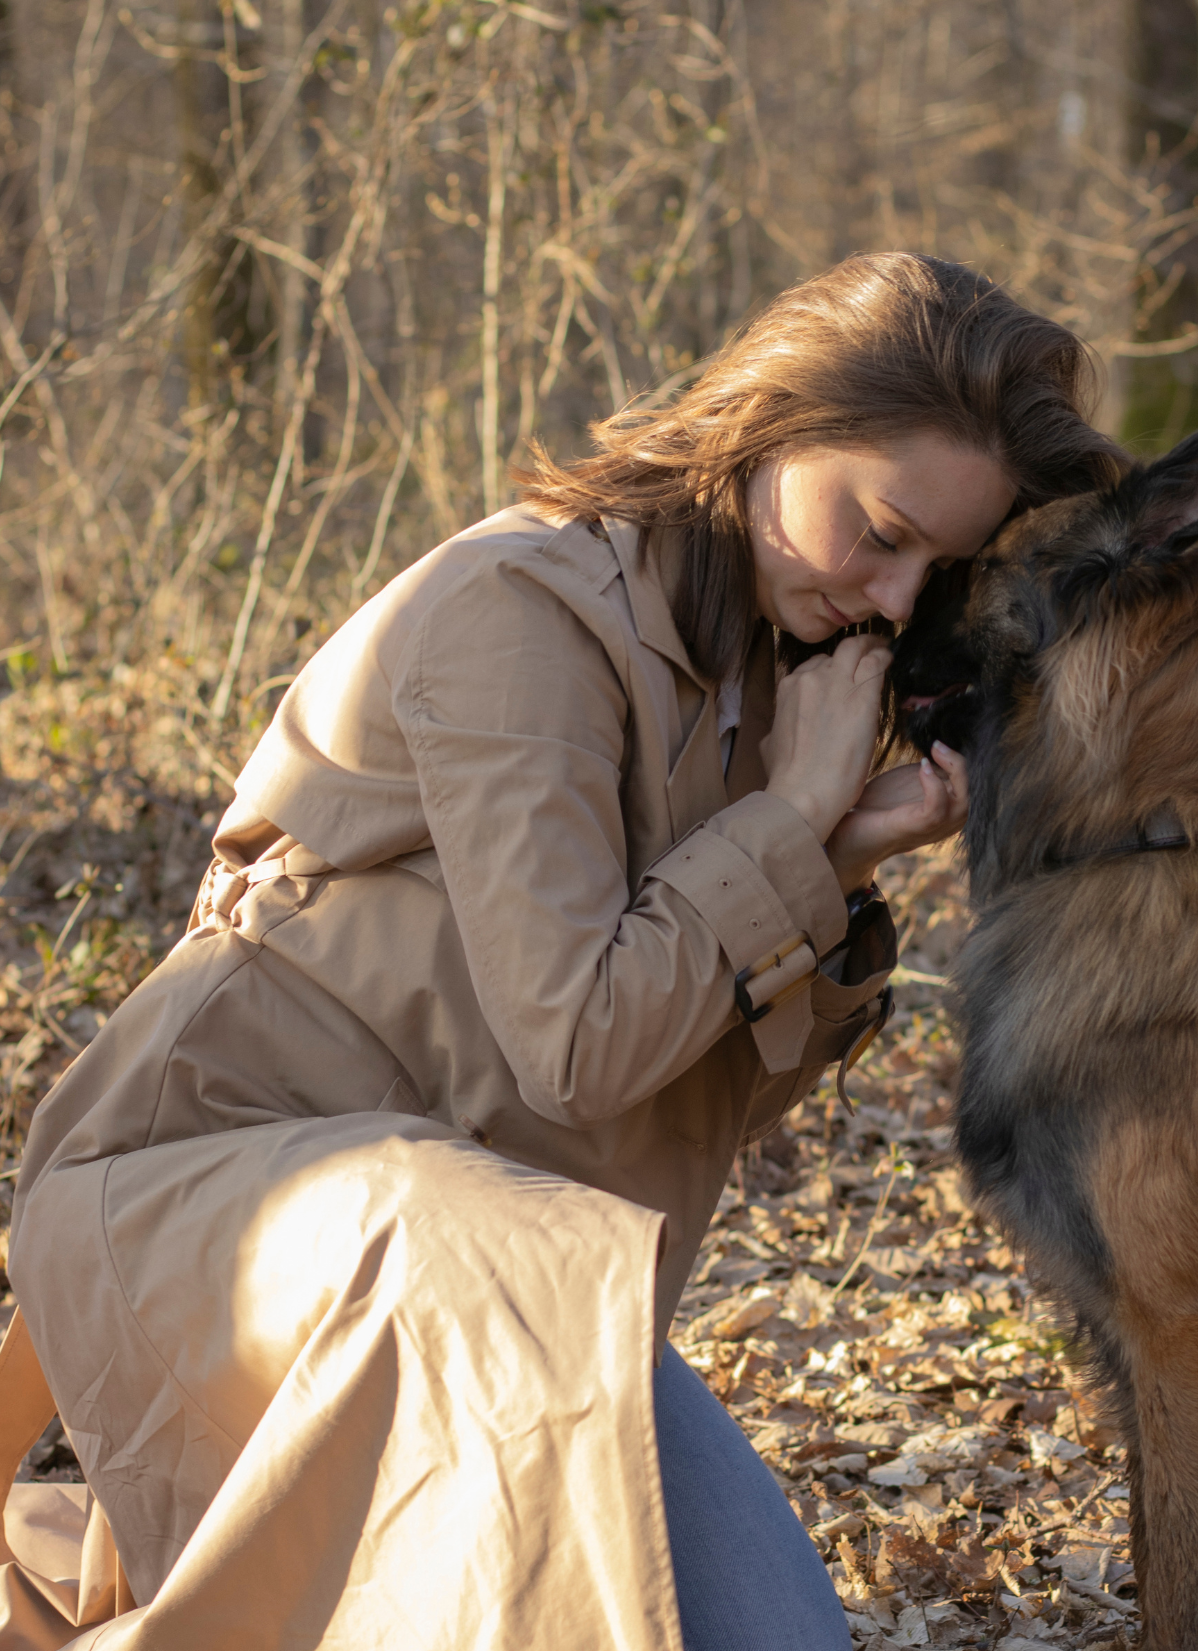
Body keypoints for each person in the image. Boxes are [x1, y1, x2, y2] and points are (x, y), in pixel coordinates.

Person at [2, 253, 1126, 1650]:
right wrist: (784, 820)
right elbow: (579, 1043)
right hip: (211, 1198)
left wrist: (832, 858)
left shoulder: (774, 674)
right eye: (880, 532)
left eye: (935, 570)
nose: (897, 601)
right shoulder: (516, 613)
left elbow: (691, 1098)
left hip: (501, 1269)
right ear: (773, 422)